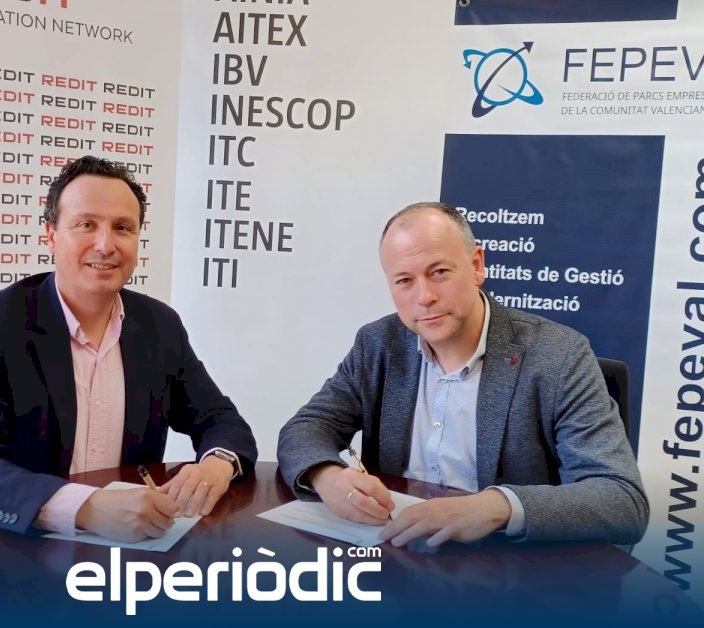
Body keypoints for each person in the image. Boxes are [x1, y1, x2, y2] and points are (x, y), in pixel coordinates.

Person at [0, 156, 258, 543]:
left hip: (121, 548)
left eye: (122, 228)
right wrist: (84, 507)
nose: (105, 245)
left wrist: (216, 464)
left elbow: (220, 418)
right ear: (51, 234)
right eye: (86, 225)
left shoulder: (158, 325)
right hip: (0, 543)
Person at [277, 202, 648, 547]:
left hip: (507, 570)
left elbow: (621, 500)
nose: (424, 296)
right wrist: (327, 477)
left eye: (439, 272)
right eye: (404, 281)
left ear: (476, 265)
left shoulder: (559, 356)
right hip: (397, 554)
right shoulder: (378, 344)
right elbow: (307, 427)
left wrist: (496, 506)